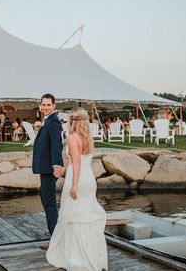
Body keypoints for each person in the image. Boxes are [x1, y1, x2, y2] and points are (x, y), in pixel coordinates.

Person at [46, 107, 107, 270]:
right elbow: (76, 161)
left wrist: (73, 185)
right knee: (86, 215)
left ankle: (78, 256)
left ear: (72, 121)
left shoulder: (72, 137)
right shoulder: (88, 137)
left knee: (74, 215)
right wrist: (63, 170)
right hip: (89, 178)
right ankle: (92, 254)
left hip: (78, 179)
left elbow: (77, 163)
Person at [32, 93, 64, 244]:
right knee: (44, 197)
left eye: (48, 105)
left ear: (54, 106)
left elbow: (57, 145)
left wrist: (57, 165)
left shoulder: (53, 122)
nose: (45, 107)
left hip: (49, 168)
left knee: (49, 202)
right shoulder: (47, 120)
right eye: (43, 105)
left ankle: (56, 240)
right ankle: (56, 236)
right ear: (40, 106)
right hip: (44, 167)